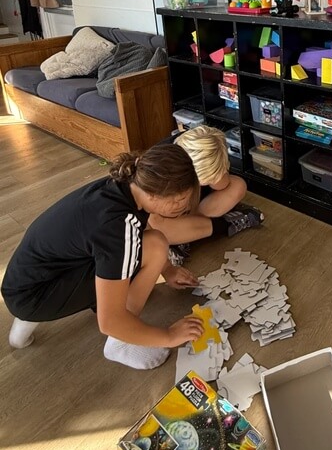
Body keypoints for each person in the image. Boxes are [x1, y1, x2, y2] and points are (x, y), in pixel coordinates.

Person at [1, 143, 205, 370]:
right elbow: (109, 322)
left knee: (154, 243)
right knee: (156, 246)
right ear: (156, 193)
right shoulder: (118, 225)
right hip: (33, 296)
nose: (183, 207)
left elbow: (135, 239)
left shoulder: (125, 185)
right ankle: (120, 345)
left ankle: (26, 323)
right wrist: (168, 336)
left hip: (26, 280)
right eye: (179, 201)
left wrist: (167, 269)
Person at [156, 126, 264, 264]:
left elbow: (224, 185)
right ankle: (222, 225)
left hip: (195, 209)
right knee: (159, 230)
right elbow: (152, 221)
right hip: (169, 214)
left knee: (238, 186)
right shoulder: (158, 164)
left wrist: (214, 178)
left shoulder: (206, 148)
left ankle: (185, 236)